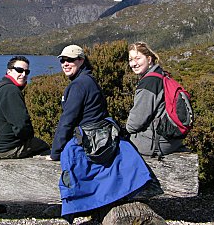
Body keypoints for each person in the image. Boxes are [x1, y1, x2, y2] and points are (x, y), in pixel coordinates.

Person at [49, 45, 153, 223]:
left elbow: (67, 120)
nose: (66, 64)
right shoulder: (88, 80)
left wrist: (55, 153)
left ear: (81, 61)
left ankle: (79, 204)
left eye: (71, 60)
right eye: (63, 60)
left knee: (71, 159)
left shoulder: (79, 85)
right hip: (102, 135)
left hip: (90, 137)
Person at [0, 56, 49, 159]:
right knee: (44, 146)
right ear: (9, 71)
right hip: (6, 149)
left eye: (27, 72)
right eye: (19, 70)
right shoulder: (11, 90)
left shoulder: (1, 86)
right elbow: (22, 126)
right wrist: (29, 137)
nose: (23, 74)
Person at [126, 41, 186, 156]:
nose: (133, 64)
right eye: (130, 60)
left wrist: (125, 129)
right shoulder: (161, 74)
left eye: (138, 58)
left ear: (149, 59)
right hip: (172, 140)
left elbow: (135, 123)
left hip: (156, 143)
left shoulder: (149, 83)